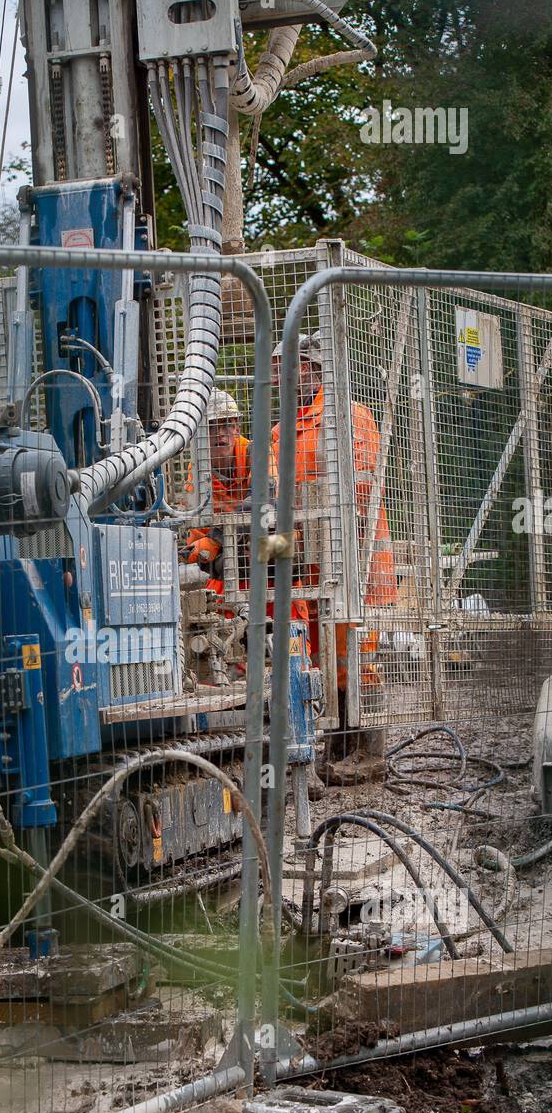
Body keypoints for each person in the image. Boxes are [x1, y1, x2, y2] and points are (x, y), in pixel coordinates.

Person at [269, 332, 398, 781]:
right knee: (327, 663)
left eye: (285, 366)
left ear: (308, 367)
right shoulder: (285, 429)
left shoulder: (347, 417)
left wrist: (312, 515)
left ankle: (369, 749)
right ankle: (339, 745)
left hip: (358, 565)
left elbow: (360, 488)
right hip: (316, 570)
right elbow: (277, 496)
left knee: (357, 660)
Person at [184, 390, 250, 598]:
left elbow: (263, 501)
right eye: (212, 426)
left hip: (269, 564)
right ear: (200, 434)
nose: (220, 433)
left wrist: (216, 539)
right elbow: (197, 548)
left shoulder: (255, 453)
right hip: (225, 582)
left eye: (227, 425)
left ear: (237, 428)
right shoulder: (196, 474)